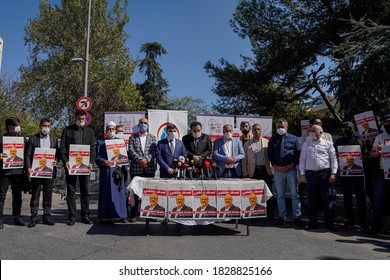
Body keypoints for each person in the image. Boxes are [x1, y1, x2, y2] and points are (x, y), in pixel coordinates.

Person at [60, 109, 96, 226]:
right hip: (71, 165)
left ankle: (85, 215)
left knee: (85, 190)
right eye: (79, 119)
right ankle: (72, 216)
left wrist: (91, 162)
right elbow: (63, 148)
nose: (81, 121)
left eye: (83, 119)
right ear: (75, 118)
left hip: (85, 166)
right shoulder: (67, 130)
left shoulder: (90, 131)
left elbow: (92, 149)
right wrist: (65, 161)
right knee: (71, 190)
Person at [300, 125, 338, 231]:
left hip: (324, 175)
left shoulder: (328, 144)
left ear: (321, 133)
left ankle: (330, 224)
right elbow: (302, 159)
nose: (312, 133)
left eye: (314, 131)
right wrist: (302, 174)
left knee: (327, 199)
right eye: (311, 131)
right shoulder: (306, 144)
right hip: (310, 175)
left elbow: (333, 159)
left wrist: (333, 173)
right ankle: (312, 223)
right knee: (311, 200)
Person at [268, 118, 302, 227]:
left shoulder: (294, 139)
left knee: (294, 194)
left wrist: (291, 165)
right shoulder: (273, 140)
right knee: (280, 195)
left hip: (291, 169)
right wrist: (276, 166)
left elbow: (298, 154)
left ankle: (297, 217)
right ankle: (282, 217)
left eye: (282, 127)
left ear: (287, 127)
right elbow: (270, 154)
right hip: (278, 170)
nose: (280, 129)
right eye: (278, 127)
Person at [25, 118, 59, 227]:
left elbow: (57, 154)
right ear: (40, 126)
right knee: (35, 195)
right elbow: (27, 155)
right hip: (36, 172)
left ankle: (47, 217)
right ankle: (33, 217)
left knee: (48, 195)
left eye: (48, 126)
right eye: (44, 126)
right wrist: (28, 168)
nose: (46, 128)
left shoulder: (54, 140)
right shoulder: (33, 139)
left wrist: (56, 161)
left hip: (49, 172)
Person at [334, 121, 367, 229]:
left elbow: (366, 153)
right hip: (345, 174)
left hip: (359, 174)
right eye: (344, 128)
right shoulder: (339, 141)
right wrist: (337, 159)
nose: (346, 130)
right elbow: (334, 156)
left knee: (361, 198)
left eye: (348, 128)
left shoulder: (360, 140)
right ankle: (350, 221)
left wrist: (363, 157)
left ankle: (363, 222)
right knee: (347, 198)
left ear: (353, 128)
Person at [96, 122, 127, 223]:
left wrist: (123, 164)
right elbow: (97, 156)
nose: (111, 131)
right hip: (107, 170)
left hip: (118, 170)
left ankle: (121, 215)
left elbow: (125, 156)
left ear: (115, 131)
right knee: (106, 193)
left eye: (113, 129)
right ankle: (104, 216)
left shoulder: (120, 142)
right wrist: (103, 161)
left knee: (119, 193)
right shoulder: (100, 142)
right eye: (109, 129)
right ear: (106, 131)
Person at [242, 123, 275, 221]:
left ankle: (270, 215)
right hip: (253, 171)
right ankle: (255, 215)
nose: (257, 131)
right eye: (255, 129)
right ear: (252, 131)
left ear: (261, 131)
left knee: (268, 194)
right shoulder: (247, 144)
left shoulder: (267, 142)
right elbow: (244, 159)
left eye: (258, 129)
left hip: (266, 170)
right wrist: (245, 173)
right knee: (253, 194)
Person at [0, 118, 28, 228]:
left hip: (18, 171)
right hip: (4, 172)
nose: (17, 127)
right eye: (15, 125)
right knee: (1, 196)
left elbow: (27, 154)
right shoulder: (2, 138)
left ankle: (17, 217)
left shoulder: (23, 139)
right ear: (9, 127)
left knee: (17, 195)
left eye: (18, 125)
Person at [128, 117, 157, 222]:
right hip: (136, 168)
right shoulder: (132, 138)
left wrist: (147, 159)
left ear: (148, 125)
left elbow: (154, 152)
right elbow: (131, 151)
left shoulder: (153, 138)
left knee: (149, 193)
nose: (143, 124)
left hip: (149, 168)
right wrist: (140, 159)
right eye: (141, 123)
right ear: (138, 125)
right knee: (135, 193)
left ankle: (149, 214)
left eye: (145, 123)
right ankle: (133, 214)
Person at [369, 114, 390, 234]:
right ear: (383, 124)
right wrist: (378, 150)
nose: (388, 125)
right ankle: (377, 225)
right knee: (377, 198)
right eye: (386, 123)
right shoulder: (380, 137)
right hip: (383, 172)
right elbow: (373, 155)